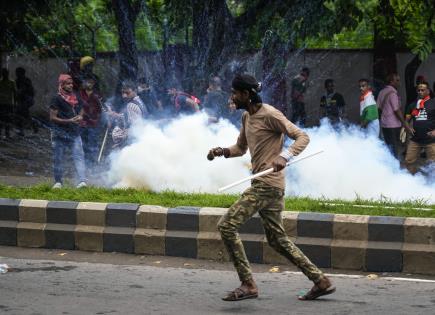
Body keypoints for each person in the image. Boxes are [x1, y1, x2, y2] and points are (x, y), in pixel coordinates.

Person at [207, 74, 335, 302]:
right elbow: (240, 148)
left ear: (246, 95)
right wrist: (222, 152)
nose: (232, 97)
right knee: (277, 240)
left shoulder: (270, 114)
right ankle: (320, 281)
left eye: (235, 93)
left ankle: (248, 285)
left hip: (266, 186)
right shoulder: (247, 116)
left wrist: (284, 156)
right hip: (266, 185)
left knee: (226, 226)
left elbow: (302, 137)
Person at [49, 74, 87, 189]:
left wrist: (80, 117)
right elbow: (52, 117)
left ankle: (82, 181)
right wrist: (69, 120)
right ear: (62, 85)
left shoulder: (75, 97)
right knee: (58, 158)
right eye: (68, 84)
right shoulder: (56, 98)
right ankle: (58, 182)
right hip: (59, 133)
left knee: (79, 156)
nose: (71, 86)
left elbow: (82, 109)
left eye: (71, 83)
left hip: (74, 133)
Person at [377, 73, 413, 158]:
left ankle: (390, 166)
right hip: (393, 125)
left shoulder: (382, 92)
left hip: (385, 124)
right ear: (391, 81)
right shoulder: (393, 94)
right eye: (397, 80)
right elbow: (396, 110)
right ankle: (394, 167)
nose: (399, 82)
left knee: (389, 147)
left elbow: (378, 107)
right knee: (394, 148)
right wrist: (404, 123)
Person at [404, 82, 435, 174]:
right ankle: (411, 181)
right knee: (409, 161)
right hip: (415, 139)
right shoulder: (412, 105)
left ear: (428, 91)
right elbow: (406, 120)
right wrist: (408, 127)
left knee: (433, 164)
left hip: (431, 140)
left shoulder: (434, 103)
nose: (420, 92)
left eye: (423, 90)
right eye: (418, 90)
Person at [110, 81, 147, 148]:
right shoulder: (139, 101)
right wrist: (116, 115)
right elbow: (131, 116)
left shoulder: (131, 105)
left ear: (135, 91)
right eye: (123, 92)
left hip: (133, 142)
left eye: (127, 93)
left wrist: (121, 142)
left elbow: (135, 128)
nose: (124, 95)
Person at [79, 77, 103, 169]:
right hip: (82, 123)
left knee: (93, 144)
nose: (88, 84)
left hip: (93, 123)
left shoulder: (97, 95)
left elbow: (101, 109)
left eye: (90, 82)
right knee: (83, 145)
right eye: (87, 81)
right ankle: (85, 164)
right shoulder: (80, 94)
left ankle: (93, 165)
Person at [15, 67, 38, 136]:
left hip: (27, 100)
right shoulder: (18, 80)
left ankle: (23, 130)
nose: (16, 74)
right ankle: (33, 126)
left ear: (21, 73)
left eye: (17, 72)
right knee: (23, 114)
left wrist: (21, 92)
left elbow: (27, 90)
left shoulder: (26, 80)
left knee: (20, 113)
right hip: (23, 100)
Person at [0, 68, 16, 139]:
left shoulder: (11, 82)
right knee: (1, 119)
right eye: (3, 73)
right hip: (1, 104)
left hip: (8, 104)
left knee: (8, 119)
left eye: (6, 73)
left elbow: (15, 93)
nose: (4, 74)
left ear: (8, 73)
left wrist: (15, 103)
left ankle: (7, 134)